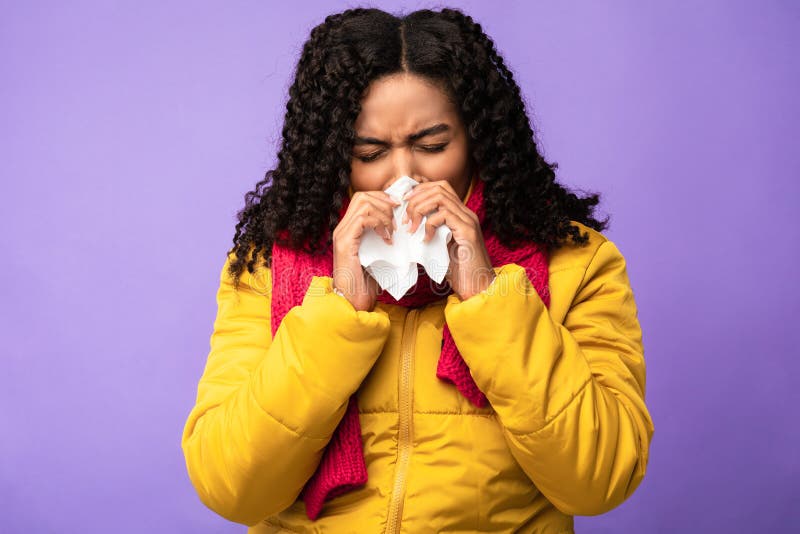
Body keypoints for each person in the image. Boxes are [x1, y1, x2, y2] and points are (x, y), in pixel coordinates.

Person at [181, 7, 655, 533]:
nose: (403, 176)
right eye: (371, 152)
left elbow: (601, 481)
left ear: (478, 140)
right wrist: (336, 315)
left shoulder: (577, 263)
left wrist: (488, 299)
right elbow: (230, 489)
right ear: (334, 156)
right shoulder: (267, 268)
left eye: (432, 147)